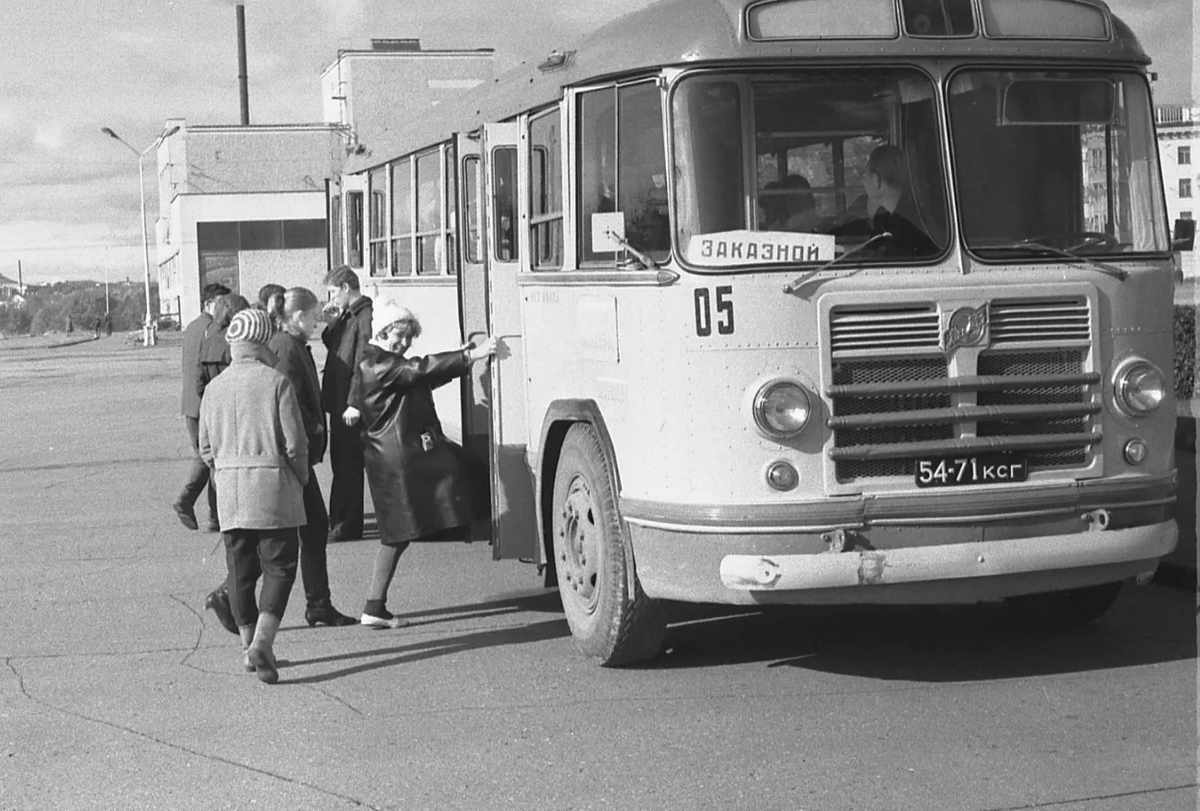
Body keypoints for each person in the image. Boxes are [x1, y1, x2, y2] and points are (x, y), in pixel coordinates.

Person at [352, 300, 498, 627]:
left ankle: (375, 606)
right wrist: (468, 357)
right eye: (399, 336)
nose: (404, 344)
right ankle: (373, 607)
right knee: (400, 529)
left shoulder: (380, 361)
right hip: (398, 457)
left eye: (408, 338)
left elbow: (418, 377)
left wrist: (460, 361)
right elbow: (418, 369)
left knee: (397, 534)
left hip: (393, 456)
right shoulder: (377, 363)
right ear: (384, 331)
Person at [199, 309, 308, 684]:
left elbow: (205, 448)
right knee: (279, 566)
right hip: (273, 486)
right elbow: (294, 445)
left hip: (229, 491)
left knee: (240, 571)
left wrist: (224, 472)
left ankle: (248, 650)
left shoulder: (214, 389)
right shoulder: (277, 383)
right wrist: (303, 477)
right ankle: (263, 641)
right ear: (263, 343)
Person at [266, 287, 357, 627]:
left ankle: (318, 604)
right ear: (298, 317)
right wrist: (315, 428)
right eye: (315, 315)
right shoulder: (287, 349)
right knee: (299, 533)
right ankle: (317, 604)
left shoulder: (292, 344)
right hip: (293, 455)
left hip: (295, 453)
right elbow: (289, 405)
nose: (318, 321)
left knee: (304, 531)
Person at [320, 266, 373, 543]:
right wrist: (332, 325)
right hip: (340, 402)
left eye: (332, 292)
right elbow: (336, 345)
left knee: (348, 466)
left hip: (349, 405)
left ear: (345, 288)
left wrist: (354, 402)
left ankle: (346, 525)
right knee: (341, 465)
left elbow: (362, 363)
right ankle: (339, 520)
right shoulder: (349, 316)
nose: (331, 299)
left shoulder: (364, 317)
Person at [173, 282, 230, 532]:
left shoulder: (192, 327)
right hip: (204, 404)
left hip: (190, 406)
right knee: (209, 459)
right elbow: (203, 371)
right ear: (209, 303)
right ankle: (186, 500)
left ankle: (215, 516)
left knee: (210, 459)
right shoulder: (212, 329)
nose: (226, 308)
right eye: (221, 302)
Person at [861, 145, 938, 257]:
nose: (864, 182)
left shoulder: (901, 228)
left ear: (876, 179)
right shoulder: (915, 213)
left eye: (865, 176)